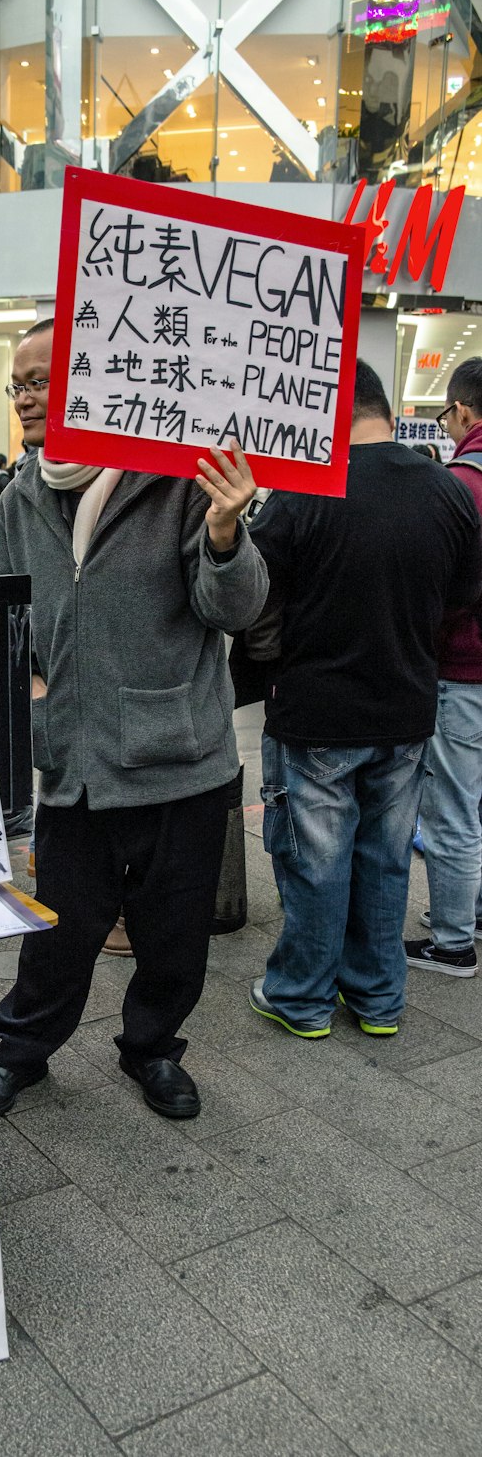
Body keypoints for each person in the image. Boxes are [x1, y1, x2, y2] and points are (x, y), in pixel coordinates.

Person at [0, 317, 268, 1120]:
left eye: (43, 377)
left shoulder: (180, 480)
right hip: (73, 762)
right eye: (19, 383)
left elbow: (234, 609)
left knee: (174, 938)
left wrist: (223, 531)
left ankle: (151, 1048)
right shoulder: (22, 493)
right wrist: (31, 693)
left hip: (179, 755)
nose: (27, 396)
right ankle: (23, 1050)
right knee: (59, 933)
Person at [247, 360, 482, 1039]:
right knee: (383, 859)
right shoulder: (446, 490)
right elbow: (463, 594)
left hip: (317, 711)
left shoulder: (302, 491)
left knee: (317, 862)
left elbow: (253, 595)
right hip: (408, 706)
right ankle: (378, 999)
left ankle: (302, 997)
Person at [406, 358, 482, 979]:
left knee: (452, 806)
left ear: (461, 411)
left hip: (464, 665)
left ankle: (453, 942)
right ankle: (473, 908)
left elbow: (444, 589)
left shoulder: (462, 484)